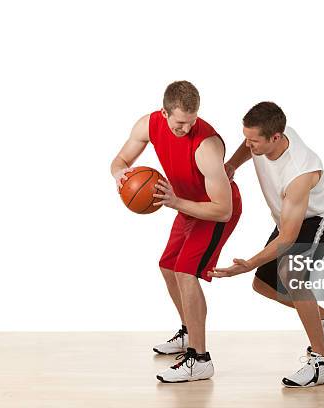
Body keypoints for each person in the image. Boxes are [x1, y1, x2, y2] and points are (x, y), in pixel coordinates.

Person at [209, 102, 324, 387]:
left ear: (275, 137)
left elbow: (287, 238)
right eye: (246, 138)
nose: (249, 145)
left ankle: (323, 364)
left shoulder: (299, 171)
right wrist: (233, 164)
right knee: (264, 285)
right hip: (290, 217)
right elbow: (249, 142)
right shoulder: (270, 134)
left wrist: (248, 264)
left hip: (319, 218)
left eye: (254, 141)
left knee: (293, 277)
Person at [110, 81, 242, 383]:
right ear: (164, 113)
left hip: (214, 210)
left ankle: (200, 358)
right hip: (184, 203)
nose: (187, 126)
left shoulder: (207, 146)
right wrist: (120, 174)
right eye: (180, 121)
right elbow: (119, 161)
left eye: (192, 120)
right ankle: (188, 332)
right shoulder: (149, 124)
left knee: (185, 271)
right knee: (168, 266)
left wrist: (174, 201)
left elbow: (223, 210)